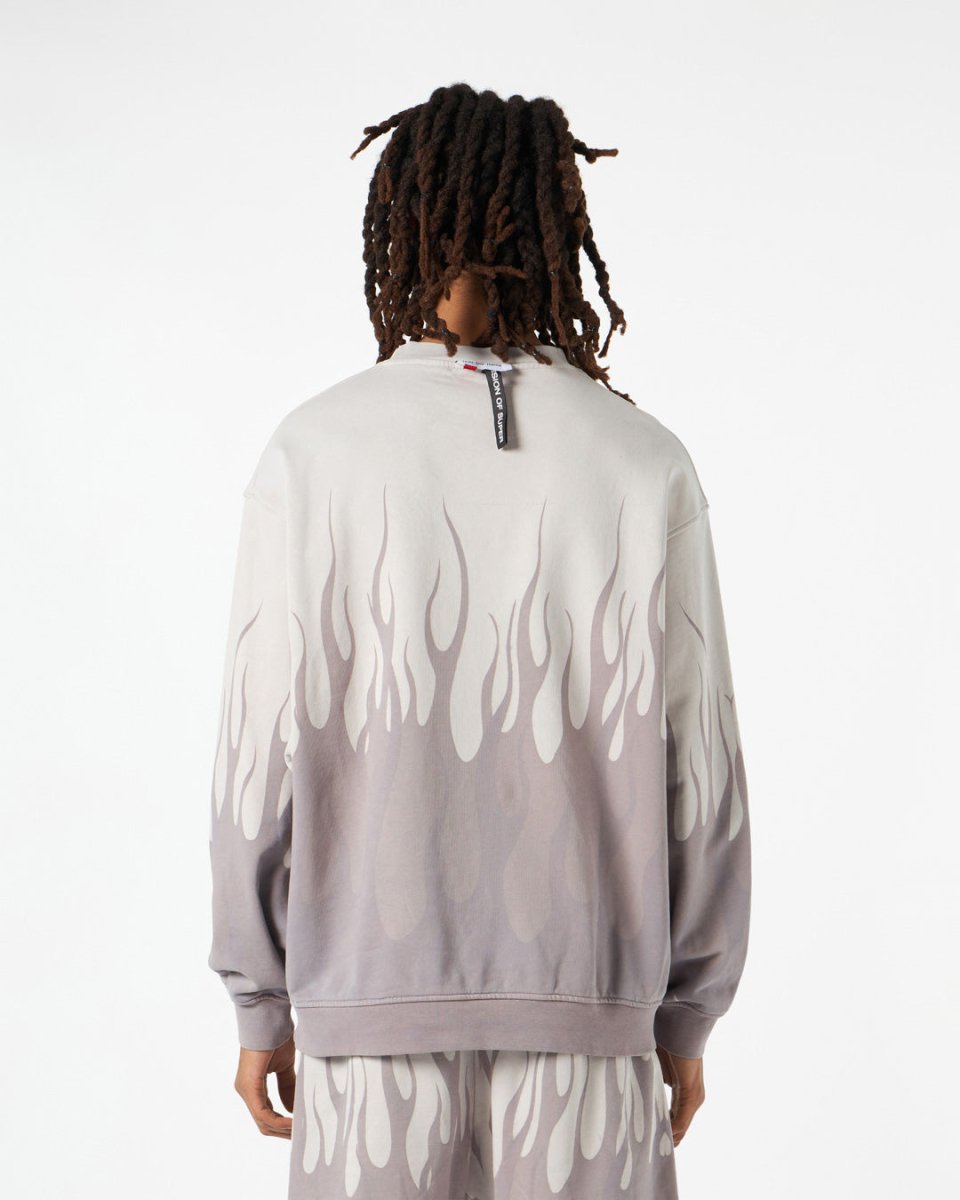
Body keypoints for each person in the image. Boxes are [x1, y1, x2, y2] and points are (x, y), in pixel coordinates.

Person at [207, 82, 752, 1200]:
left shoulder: (314, 452)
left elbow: (256, 753)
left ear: (401, 222)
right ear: (562, 229)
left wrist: (261, 1001)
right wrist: (686, 1014)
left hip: (369, 1029)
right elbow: (701, 766)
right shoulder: (642, 461)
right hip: (590, 1032)